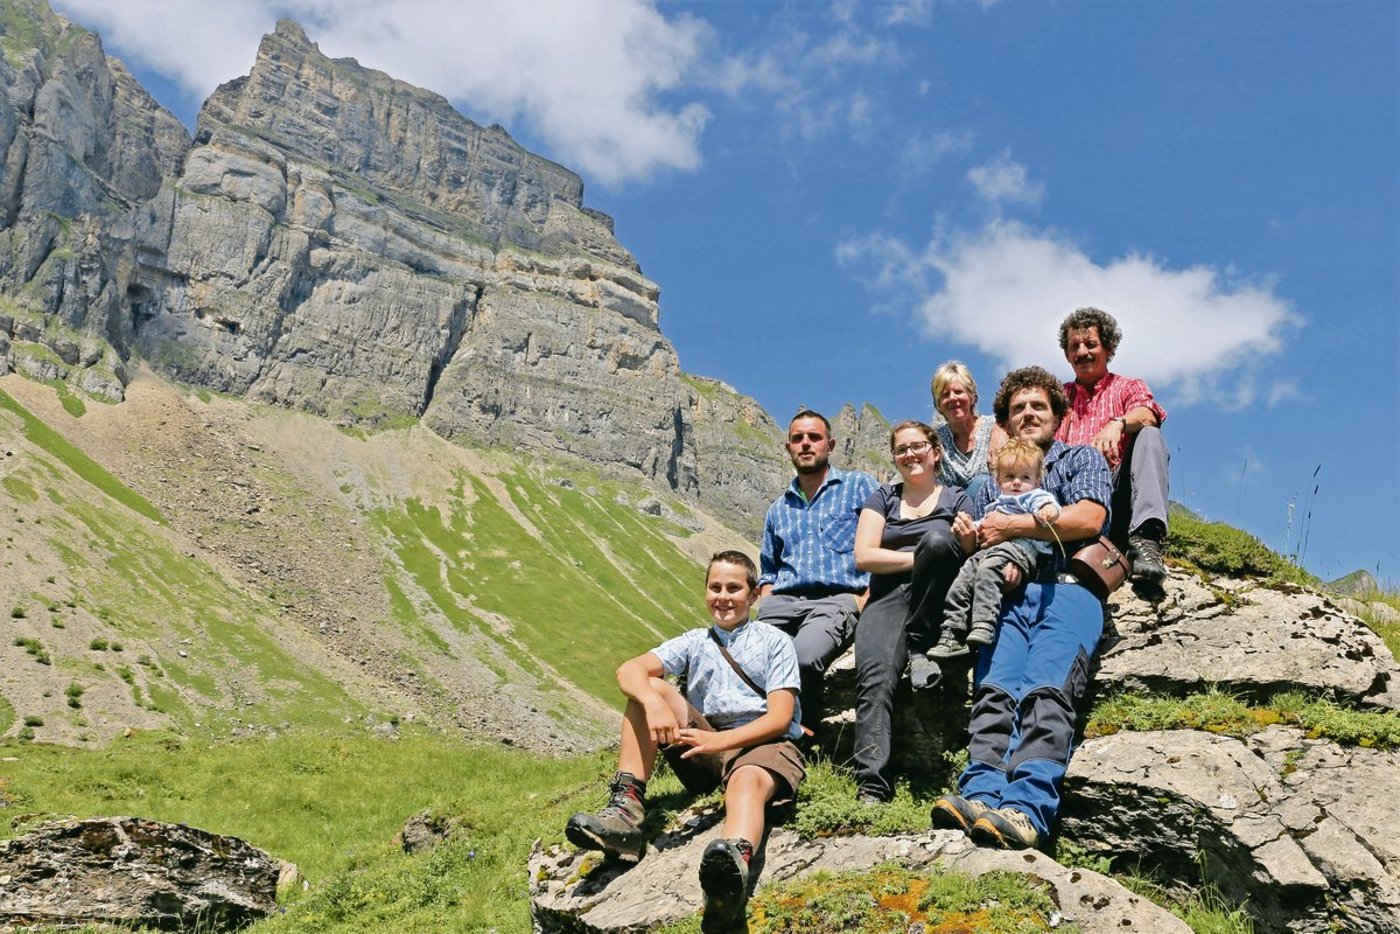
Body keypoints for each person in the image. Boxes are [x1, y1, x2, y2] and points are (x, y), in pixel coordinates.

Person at [565, 550, 804, 932]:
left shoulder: (775, 641)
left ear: (754, 595)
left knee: (746, 783)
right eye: (715, 588)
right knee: (649, 685)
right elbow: (629, 669)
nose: (723, 597)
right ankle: (625, 811)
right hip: (704, 742)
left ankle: (730, 873)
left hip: (763, 742)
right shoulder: (696, 641)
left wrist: (721, 741)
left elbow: (778, 718)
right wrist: (651, 702)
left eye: (733, 588)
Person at [930, 366, 1112, 851]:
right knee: (993, 691)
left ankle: (1028, 808)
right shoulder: (990, 482)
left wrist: (1013, 529)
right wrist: (972, 543)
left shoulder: (1080, 459)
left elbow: (1089, 518)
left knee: (1047, 692)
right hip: (1007, 598)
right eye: (1017, 409)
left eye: (1038, 406)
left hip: (1069, 590)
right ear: (1005, 422)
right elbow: (973, 536)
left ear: (1057, 415)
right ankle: (981, 795)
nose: (1028, 414)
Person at [850, 421, 974, 803]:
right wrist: (915, 559)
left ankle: (919, 647)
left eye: (918, 446)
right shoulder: (882, 498)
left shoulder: (957, 497)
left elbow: (961, 550)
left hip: (939, 593)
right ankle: (871, 784)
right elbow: (864, 555)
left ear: (936, 451)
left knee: (938, 541)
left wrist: (959, 546)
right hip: (889, 595)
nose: (910, 454)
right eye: (901, 449)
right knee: (874, 678)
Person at [757, 410, 878, 737]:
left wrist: (865, 597)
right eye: (798, 439)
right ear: (788, 448)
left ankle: (799, 736)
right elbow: (768, 570)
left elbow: (887, 538)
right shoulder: (778, 508)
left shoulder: (858, 487)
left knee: (803, 658)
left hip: (835, 600)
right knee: (746, 659)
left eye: (814, 437)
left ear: (830, 444)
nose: (806, 444)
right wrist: (767, 602)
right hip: (781, 603)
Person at [1054, 307, 1170, 586]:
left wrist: (1117, 423)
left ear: (1109, 348)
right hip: (1070, 504)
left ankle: (1146, 540)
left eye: (1091, 344)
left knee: (1149, 436)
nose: (1082, 352)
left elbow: (1149, 413)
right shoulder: (1058, 395)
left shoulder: (1128, 386)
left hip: (1117, 496)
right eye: (1074, 347)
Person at [929, 439, 1061, 658]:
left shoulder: (1034, 496)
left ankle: (983, 623)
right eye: (1010, 477)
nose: (1017, 483)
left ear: (1037, 481)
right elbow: (984, 525)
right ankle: (952, 631)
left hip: (1021, 550)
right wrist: (969, 528)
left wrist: (1048, 512)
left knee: (988, 569)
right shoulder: (998, 503)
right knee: (964, 575)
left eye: (1025, 477)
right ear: (999, 481)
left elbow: (1050, 506)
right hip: (993, 550)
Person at [930, 361, 1009, 502]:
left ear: (972, 396)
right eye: (945, 394)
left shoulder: (997, 427)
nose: (953, 398)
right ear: (938, 404)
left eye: (958, 391)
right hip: (950, 516)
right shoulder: (934, 440)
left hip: (994, 512)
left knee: (983, 482)